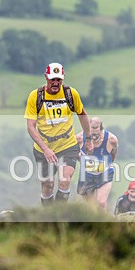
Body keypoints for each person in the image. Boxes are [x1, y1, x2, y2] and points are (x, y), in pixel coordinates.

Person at [25, 62, 91, 205]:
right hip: (43, 149)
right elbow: (30, 127)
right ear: (46, 77)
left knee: (65, 180)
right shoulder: (35, 96)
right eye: (52, 79)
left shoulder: (70, 94)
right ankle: (48, 218)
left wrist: (89, 138)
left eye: (58, 80)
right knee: (47, 185)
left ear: (63, 78)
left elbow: (82, 114)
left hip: (67, 145)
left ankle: (59, 216)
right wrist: (45, 149)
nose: (55, 83)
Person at [75, 117, 118, 210]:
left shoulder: (111, 139)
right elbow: (73, 153)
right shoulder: (79, 139)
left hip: (105, 172)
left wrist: (108, 163)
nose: (93, 137)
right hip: (86, 174)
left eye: (96, 135)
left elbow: (114, 153)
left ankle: (106, 224)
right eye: (91, 135)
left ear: (101, 129)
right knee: (91, 206)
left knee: (101, 203)